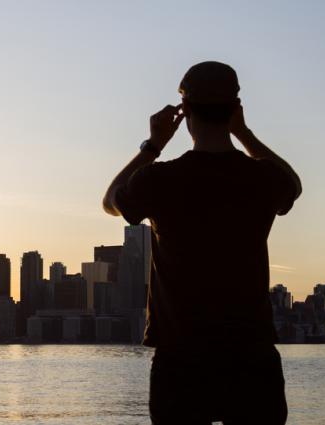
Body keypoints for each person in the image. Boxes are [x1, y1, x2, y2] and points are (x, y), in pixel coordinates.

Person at [102, 61, 301, 424]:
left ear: (186, 111)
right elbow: (293, 183)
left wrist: (153, 144)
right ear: (234, 109)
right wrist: (244, 133)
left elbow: (111, 200)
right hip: (251, 355)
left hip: (181, 358)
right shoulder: (262, 177)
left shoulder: (160, 179)